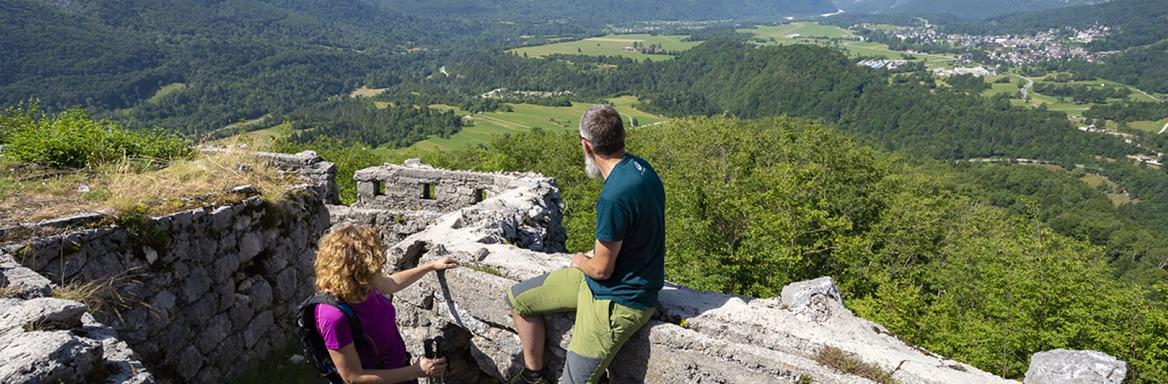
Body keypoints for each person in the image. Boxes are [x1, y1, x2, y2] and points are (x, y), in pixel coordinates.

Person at [506, 105, 666, 384]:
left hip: (618, 300)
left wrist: (579, 260)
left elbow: (602, 270)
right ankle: (535, 377)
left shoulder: (613, 197)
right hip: (605, 283)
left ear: (586, 145)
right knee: (518, 299)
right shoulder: (642, 169)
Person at [313, 224, 459, 383]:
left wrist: (431, 266)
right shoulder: (333, 315)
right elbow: (352, 377)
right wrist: (415, 371)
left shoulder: (363, 283)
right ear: (356, 268)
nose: (377, 269)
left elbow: (393, 283)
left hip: (400, 371)